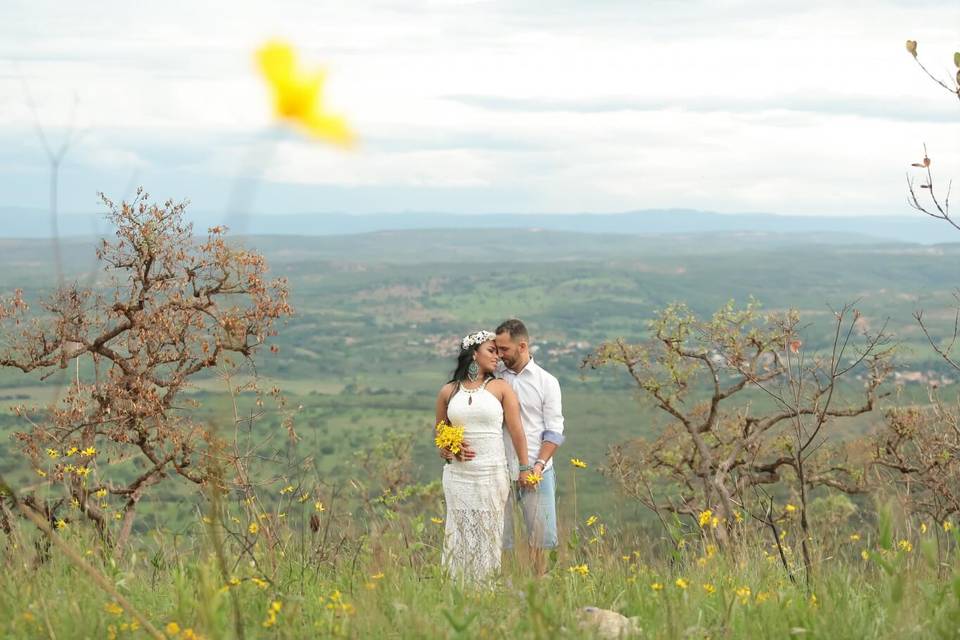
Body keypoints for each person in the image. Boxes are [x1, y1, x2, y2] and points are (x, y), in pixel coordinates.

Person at [434, 329, 534, 583]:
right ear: (474, 353)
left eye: (500, 352)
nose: (497, 357)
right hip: (458, 475)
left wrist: (524, 467)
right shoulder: (448, 391)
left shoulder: (500, 388)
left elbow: (517, 431)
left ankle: (484, 585)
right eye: (492, 351)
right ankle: (457, 585)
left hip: (491, 473)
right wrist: (449, 449)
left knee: (488, 530)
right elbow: (440, 432)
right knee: (459, 528)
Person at [494, 319, 565, 575]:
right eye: (497, 349)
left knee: (541, 539)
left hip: (538, 471)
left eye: (504, 349)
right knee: (500, 539)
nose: (499, 355)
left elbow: (554, 431)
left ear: (522, 346)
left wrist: (537, 466)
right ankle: (503, 587)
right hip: (500, 470)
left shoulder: (547, 382)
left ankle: (540, 589)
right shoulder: (494, 378)